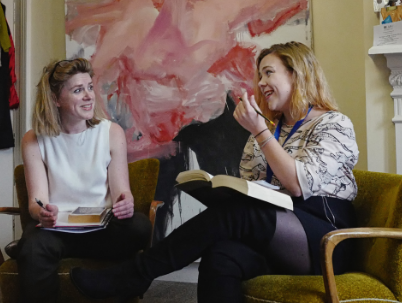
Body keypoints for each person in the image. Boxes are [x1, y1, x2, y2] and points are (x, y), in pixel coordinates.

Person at [71, 42, 359, 302]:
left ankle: (136, 274)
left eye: (269, 73)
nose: (261, 83)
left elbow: (298, 184)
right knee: (221, 255)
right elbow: (253, 189)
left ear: (297, 74)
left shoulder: (334, 124)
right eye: (260, 75)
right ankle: (135, 276)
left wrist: (259, 132)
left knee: (237, 214)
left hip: (325, 237)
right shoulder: (269, 131)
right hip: (279, 234)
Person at [15, 58, 150, 303]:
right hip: (59, 230)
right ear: (56, 99)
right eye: (78, 90)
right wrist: (42, 212)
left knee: (139, 226)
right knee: (34, 246)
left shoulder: (111, 132)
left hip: (103, 230)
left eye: (89, 87)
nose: (89, 96)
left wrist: (126, 203)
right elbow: (37, 202)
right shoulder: (33, 139)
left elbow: (122, 192)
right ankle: (26, 248)